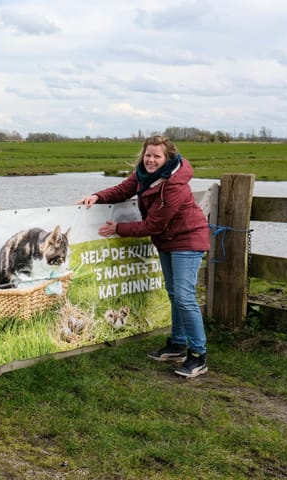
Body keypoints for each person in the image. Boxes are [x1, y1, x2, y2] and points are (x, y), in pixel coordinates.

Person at [77, 135, 210, 378]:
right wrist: (98, 196)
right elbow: (123, 189)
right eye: (148, 155)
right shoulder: (143, 175)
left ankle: (198, 355)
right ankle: (177, 345)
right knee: (174, 294)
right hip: (167, 241)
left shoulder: (174, 185)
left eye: (157, 156)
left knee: (184, 296)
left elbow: (153, 225)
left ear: (167, 158)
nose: (151, 160)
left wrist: (118, 228)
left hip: (187, 240)